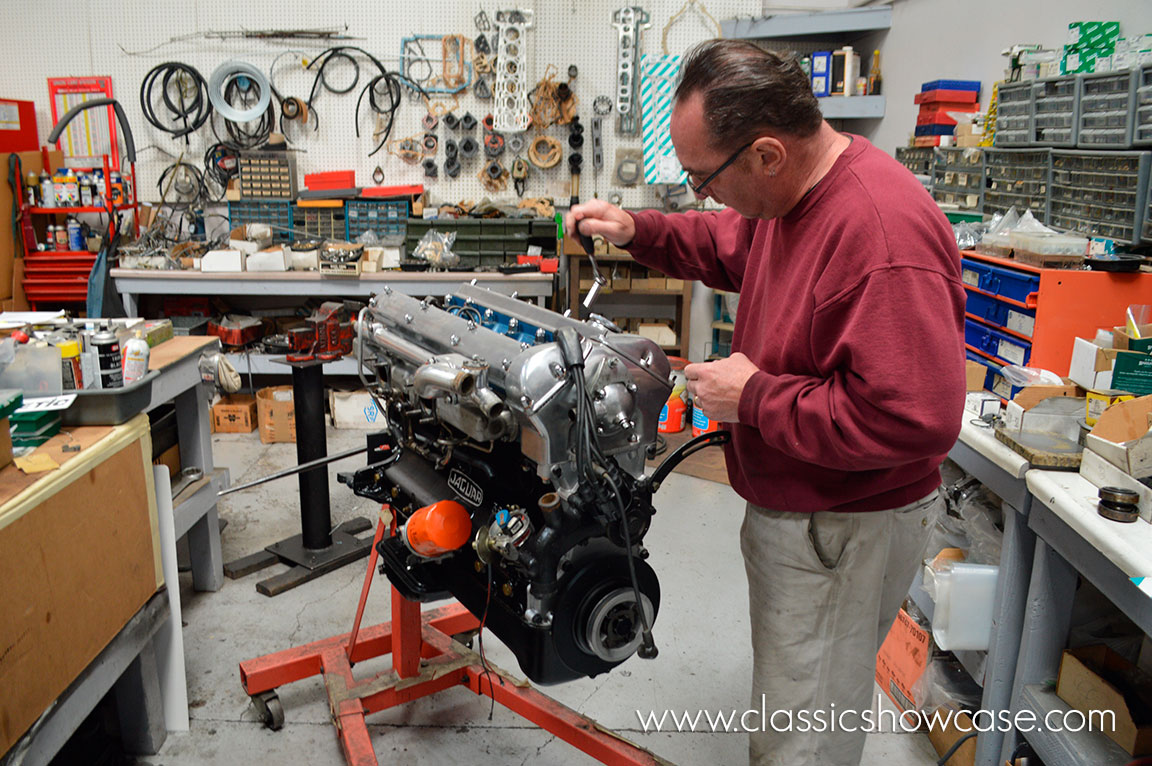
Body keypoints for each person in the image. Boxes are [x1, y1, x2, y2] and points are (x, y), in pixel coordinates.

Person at [567, 40, 966, 766]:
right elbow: (729, 239)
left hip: (845, 526)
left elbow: (915, 420)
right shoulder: (791, 196)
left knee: (804, 734)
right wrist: (639, 230)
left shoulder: (879, 233)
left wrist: (756, 399)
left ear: (767, 155)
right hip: (806, 509)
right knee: (807, 695)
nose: (700, 195)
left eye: (702, 177)